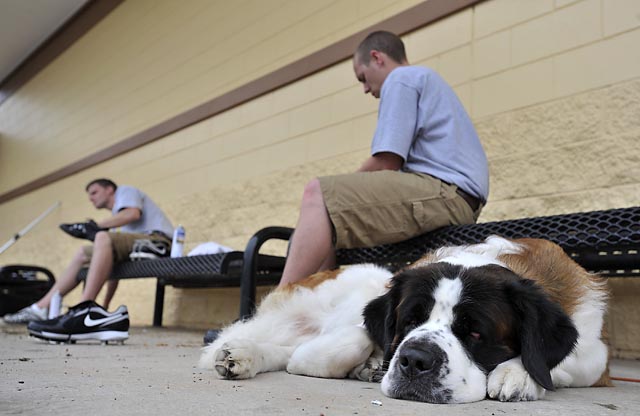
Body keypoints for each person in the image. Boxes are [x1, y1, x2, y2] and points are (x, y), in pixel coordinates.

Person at [278, 31, 489, 287]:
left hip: (445, 194)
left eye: (363, 78)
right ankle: (312, 312)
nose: (365, 89)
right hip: (453, 198)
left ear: (377, 58)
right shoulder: (425, 80)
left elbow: (386, 162)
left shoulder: (402, 78)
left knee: (317, 194)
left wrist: (329, 196)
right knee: (327, 218)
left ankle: (276, 305)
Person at [4, 178, 174, 343]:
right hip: (137, 245)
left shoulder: (125, 191)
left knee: (101, 237)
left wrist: (95, 227)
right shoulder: (116, 223)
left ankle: (84, 310)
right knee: (83, 252)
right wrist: (105, 306)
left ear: (109, 190)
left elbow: (132, 213)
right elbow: (112, 267)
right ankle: (40, 308)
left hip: (157, 241)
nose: (91, 198)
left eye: (94, 192)